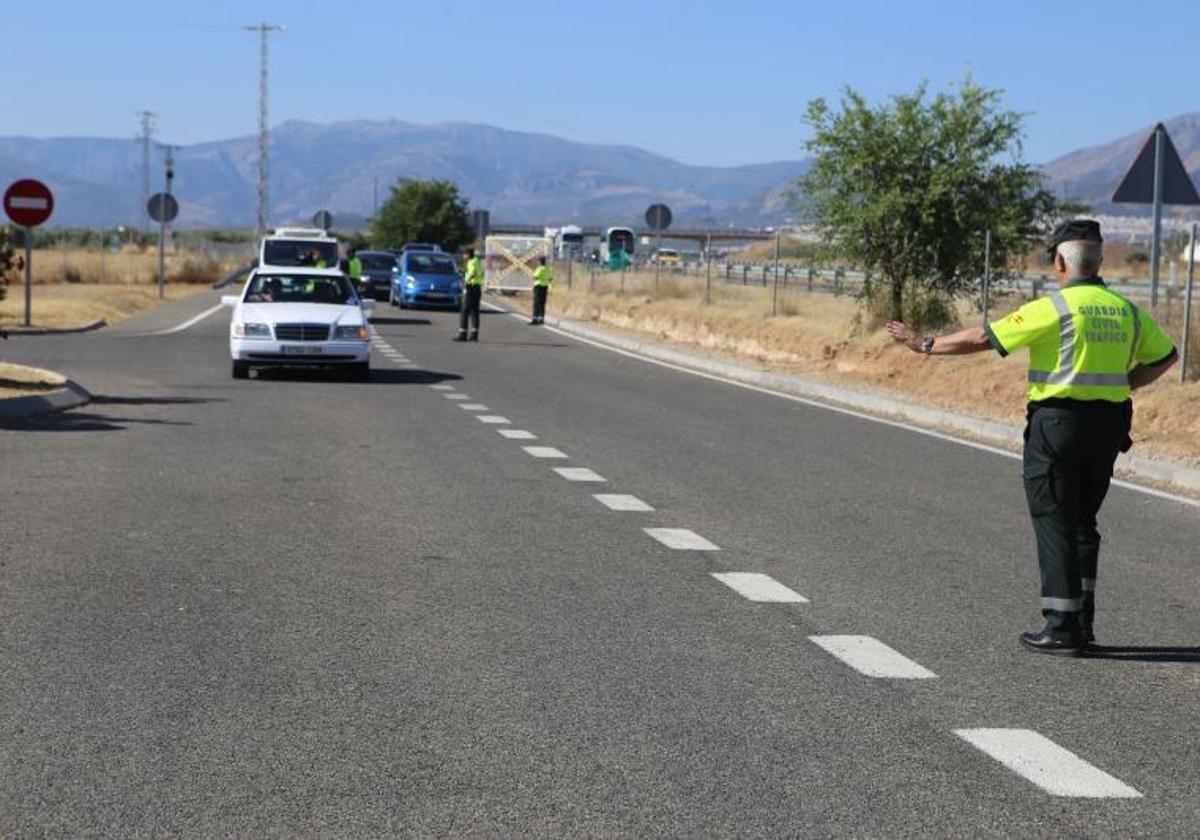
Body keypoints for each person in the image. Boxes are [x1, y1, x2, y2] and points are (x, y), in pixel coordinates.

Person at [885, 219, 1178, 657]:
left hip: (1058, 424)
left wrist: (925, 344)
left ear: (1060, 262)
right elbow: (1166, 355)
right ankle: (1083, 623)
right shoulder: (1127, 310)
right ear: (1097, 261)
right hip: (1109, 424)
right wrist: (1124, 383)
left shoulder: (1053, 308)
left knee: (1054, 518)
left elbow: (985, 336)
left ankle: (1061, 626)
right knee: (1083, 521)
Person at [455, 247, 484, 342]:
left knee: (464, 310)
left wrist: (466, 281)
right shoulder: (477, 262)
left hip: (471, 288)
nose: (463, 256)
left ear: (468, 254)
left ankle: (462, 334)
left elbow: (473, 272)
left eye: (464, 254)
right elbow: (480, 273)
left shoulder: (471, 262)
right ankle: (474, 335)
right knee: (474, 311)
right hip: (477, 288)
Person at [529, 256, 553, 325]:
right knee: (542, 303)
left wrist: (535, 276)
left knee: (536, 303)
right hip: (545, 287)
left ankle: (535, 319)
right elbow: (550, 278)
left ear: (539, 262)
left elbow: (535, 276)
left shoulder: (539, 269)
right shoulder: (547, 269)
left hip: (538, 286)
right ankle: (541, 319)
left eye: (538, 261)